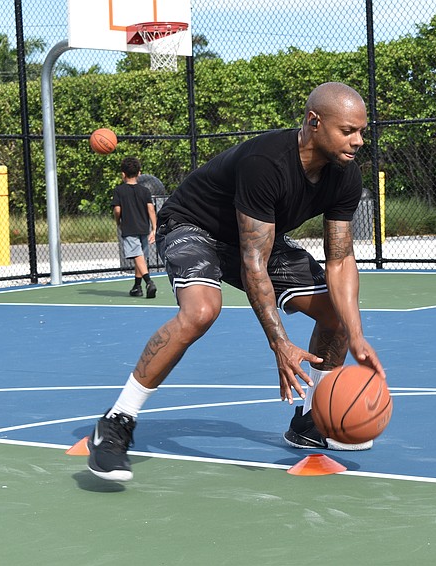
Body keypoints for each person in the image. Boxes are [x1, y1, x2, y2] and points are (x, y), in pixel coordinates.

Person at [87, 82, 386, 481]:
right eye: (348, 130)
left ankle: (312, 420)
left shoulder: (344, 174)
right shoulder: (267, 163)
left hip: (252, 240)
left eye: (361, 131)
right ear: (314, 122)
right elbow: (252, 263)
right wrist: (280, 343)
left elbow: (341, 258)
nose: (359, 140)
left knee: (337, 315)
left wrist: (356, 333)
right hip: (193, 225)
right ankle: (116, 421)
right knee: (201, 311)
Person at [112, 157, 157, 299]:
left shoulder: (119, 190)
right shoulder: (145, 191)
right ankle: (137, 287)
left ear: (123, 174)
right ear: (139, 173)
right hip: (144, 227)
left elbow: (117, 210)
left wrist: (118, 222)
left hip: (129, 228)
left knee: (137, 256)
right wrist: (154, 228)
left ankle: (149, 282)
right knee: (140, 257)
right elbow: (151, 209)